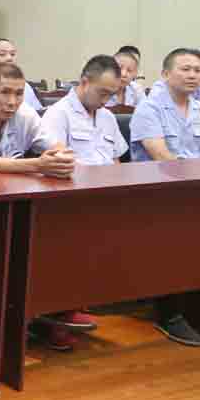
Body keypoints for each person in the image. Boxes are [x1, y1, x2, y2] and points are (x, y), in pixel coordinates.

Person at [35, 55, 128, 347]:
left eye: (112, 95)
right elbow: (58, 162)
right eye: (103, 93)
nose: (106, 100)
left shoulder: (107, 117)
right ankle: (57, 314)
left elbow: (116, 160)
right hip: (68, 200)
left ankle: (78, 304)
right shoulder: (58, 114)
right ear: (85, 82)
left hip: (103, 198)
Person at [129, 47, 200, 347]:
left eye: (199, 70)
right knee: (179, 231)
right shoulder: (149, 109)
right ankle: (169, 312)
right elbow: (162, 157)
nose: (194, 75)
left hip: (195, 189)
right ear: (166, 73)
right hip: (156, 191)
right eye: (186, 69)